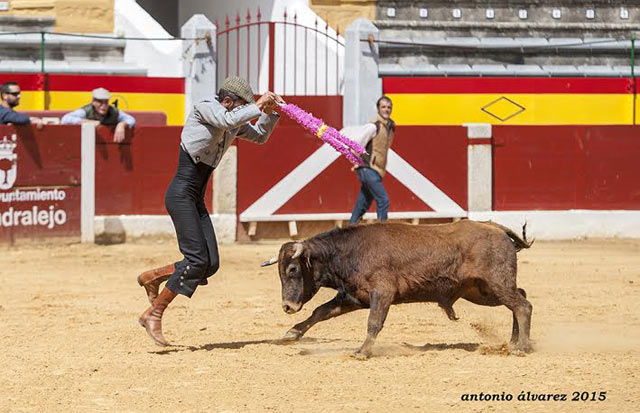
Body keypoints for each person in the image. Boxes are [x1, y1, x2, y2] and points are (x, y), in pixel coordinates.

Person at [137, 76, 284, 346]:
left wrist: (270, 113)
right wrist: (259, 104)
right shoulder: (206, 108)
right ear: (227, 101)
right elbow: (228, 120)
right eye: (241, 106)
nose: (242, 112)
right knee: (196, 260)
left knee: (210, 264)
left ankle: (153, 277)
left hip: (194, 198)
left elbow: (260, 136)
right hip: (181, 195)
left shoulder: (231, 121)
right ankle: (153, 313)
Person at [349, 96, 395, 224]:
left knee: (363, 203)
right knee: (383, 199)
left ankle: (350, 228)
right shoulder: (373, 126)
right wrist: (356, 160)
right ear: (378, 109)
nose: (386, 110)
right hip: (368, 169)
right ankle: (383, 232)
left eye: (389, 107)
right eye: (383, 107)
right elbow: (356, 143)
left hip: (375, 170)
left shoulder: (389, 126)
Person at [60, 87, 135, 143]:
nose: (103, 105)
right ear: (93, 102)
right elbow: (65, 119)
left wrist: (122, 125)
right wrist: (86, 122)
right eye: (100, 102)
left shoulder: (113, 111)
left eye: (106, 102)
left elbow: (131, 119)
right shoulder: (86, 110)